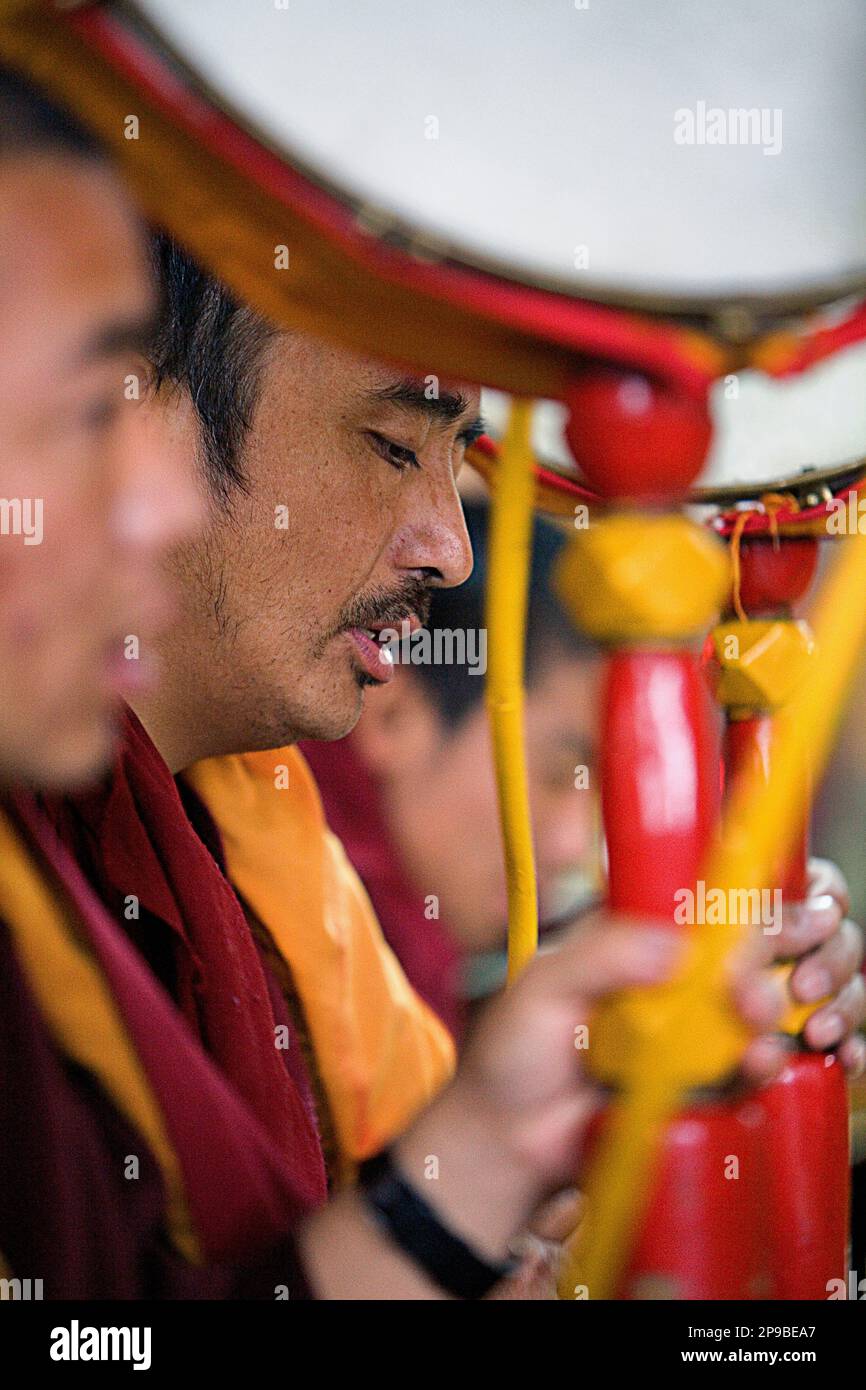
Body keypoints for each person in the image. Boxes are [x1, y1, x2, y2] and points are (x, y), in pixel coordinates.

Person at [0, 69, 855, 1299]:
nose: (448, 552)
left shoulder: (241, 820)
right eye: (391, 444)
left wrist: (529, 1173)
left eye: (453, 470)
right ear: (164, 401)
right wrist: (452, 1190)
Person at [302, 499, 603, 1035]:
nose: (572, 847)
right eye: (558, 774)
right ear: (394, 716)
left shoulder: (422, 968)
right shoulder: (286, 914)